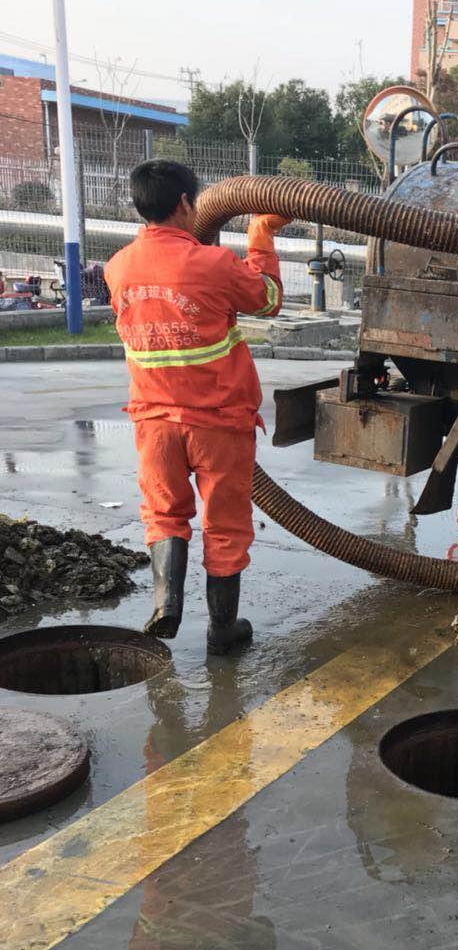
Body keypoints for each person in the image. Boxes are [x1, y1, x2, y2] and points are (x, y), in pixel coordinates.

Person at [105, 160, 288, 652]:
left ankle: (167, 603)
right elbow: (267, 298)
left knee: (164, 513)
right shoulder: (213, 265)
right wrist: (261, 234)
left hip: (153, 420)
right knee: (225, 526)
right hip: (218, 422)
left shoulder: (117, 267)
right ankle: (222, 631)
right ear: (186, 204)